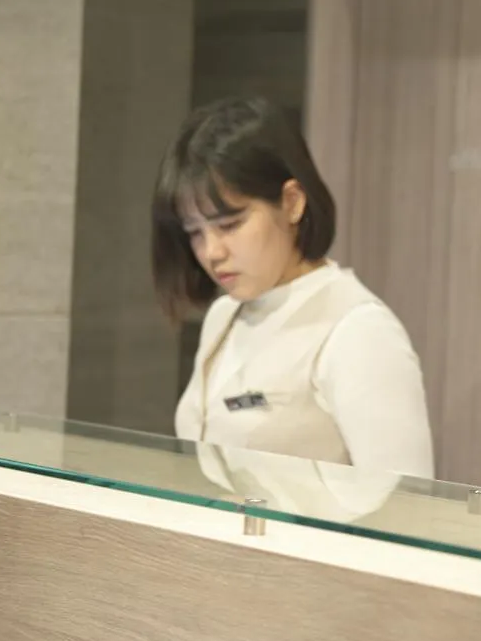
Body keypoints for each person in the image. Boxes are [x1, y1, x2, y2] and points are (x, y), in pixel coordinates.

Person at [151, 96, 435, 480]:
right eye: (194, 232)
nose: (212, 252)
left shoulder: (358, 330)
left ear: (292, 202)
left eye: (229, 224)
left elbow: (407, 502)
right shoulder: (223, 315)